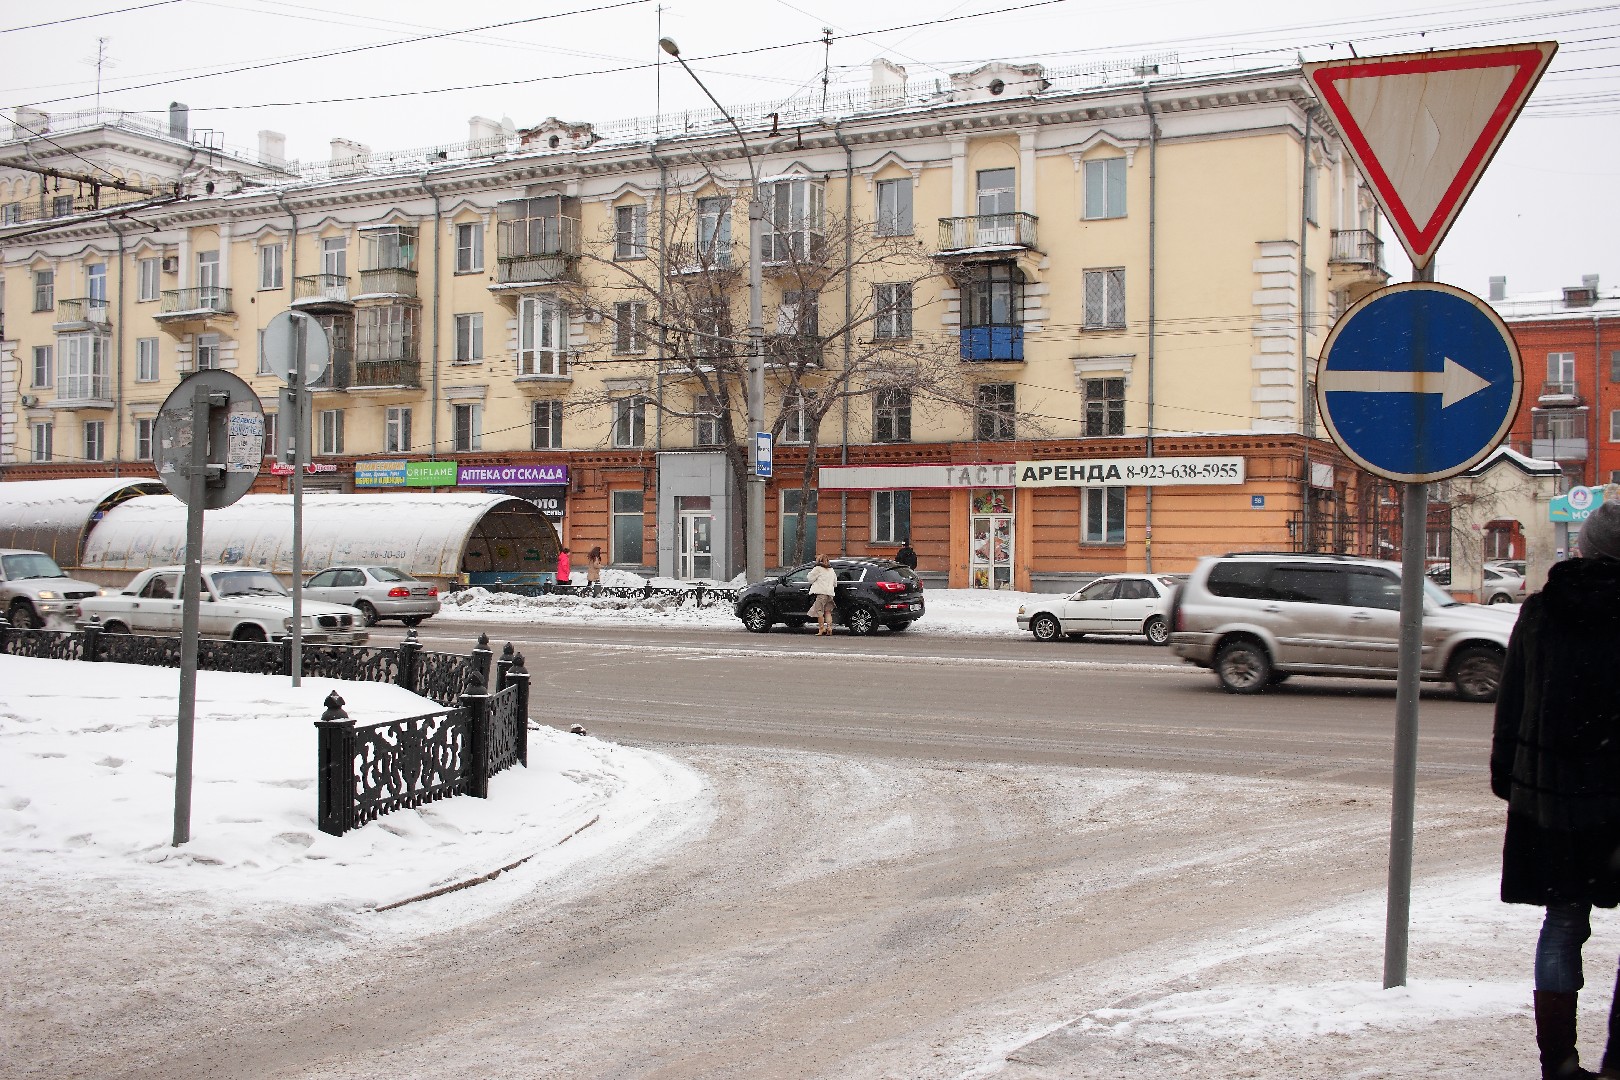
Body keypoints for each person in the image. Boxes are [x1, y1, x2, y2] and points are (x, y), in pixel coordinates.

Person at [1493, 495, 1620, 1080]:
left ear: (1586, 546)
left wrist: (1510, 780)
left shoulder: (1542, 613)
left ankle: (1560, 1065)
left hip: (1553, 803)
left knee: (1563, 924)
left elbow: (1513, 704)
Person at [807, 554, 838, 636]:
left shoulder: (817, 569)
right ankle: (829, 628)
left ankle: (821, 629)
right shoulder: (831, 570)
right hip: (830, 594)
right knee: (828, 612)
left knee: (819, 611)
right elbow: (835, 583)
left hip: (821, 593)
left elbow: (810, 579)